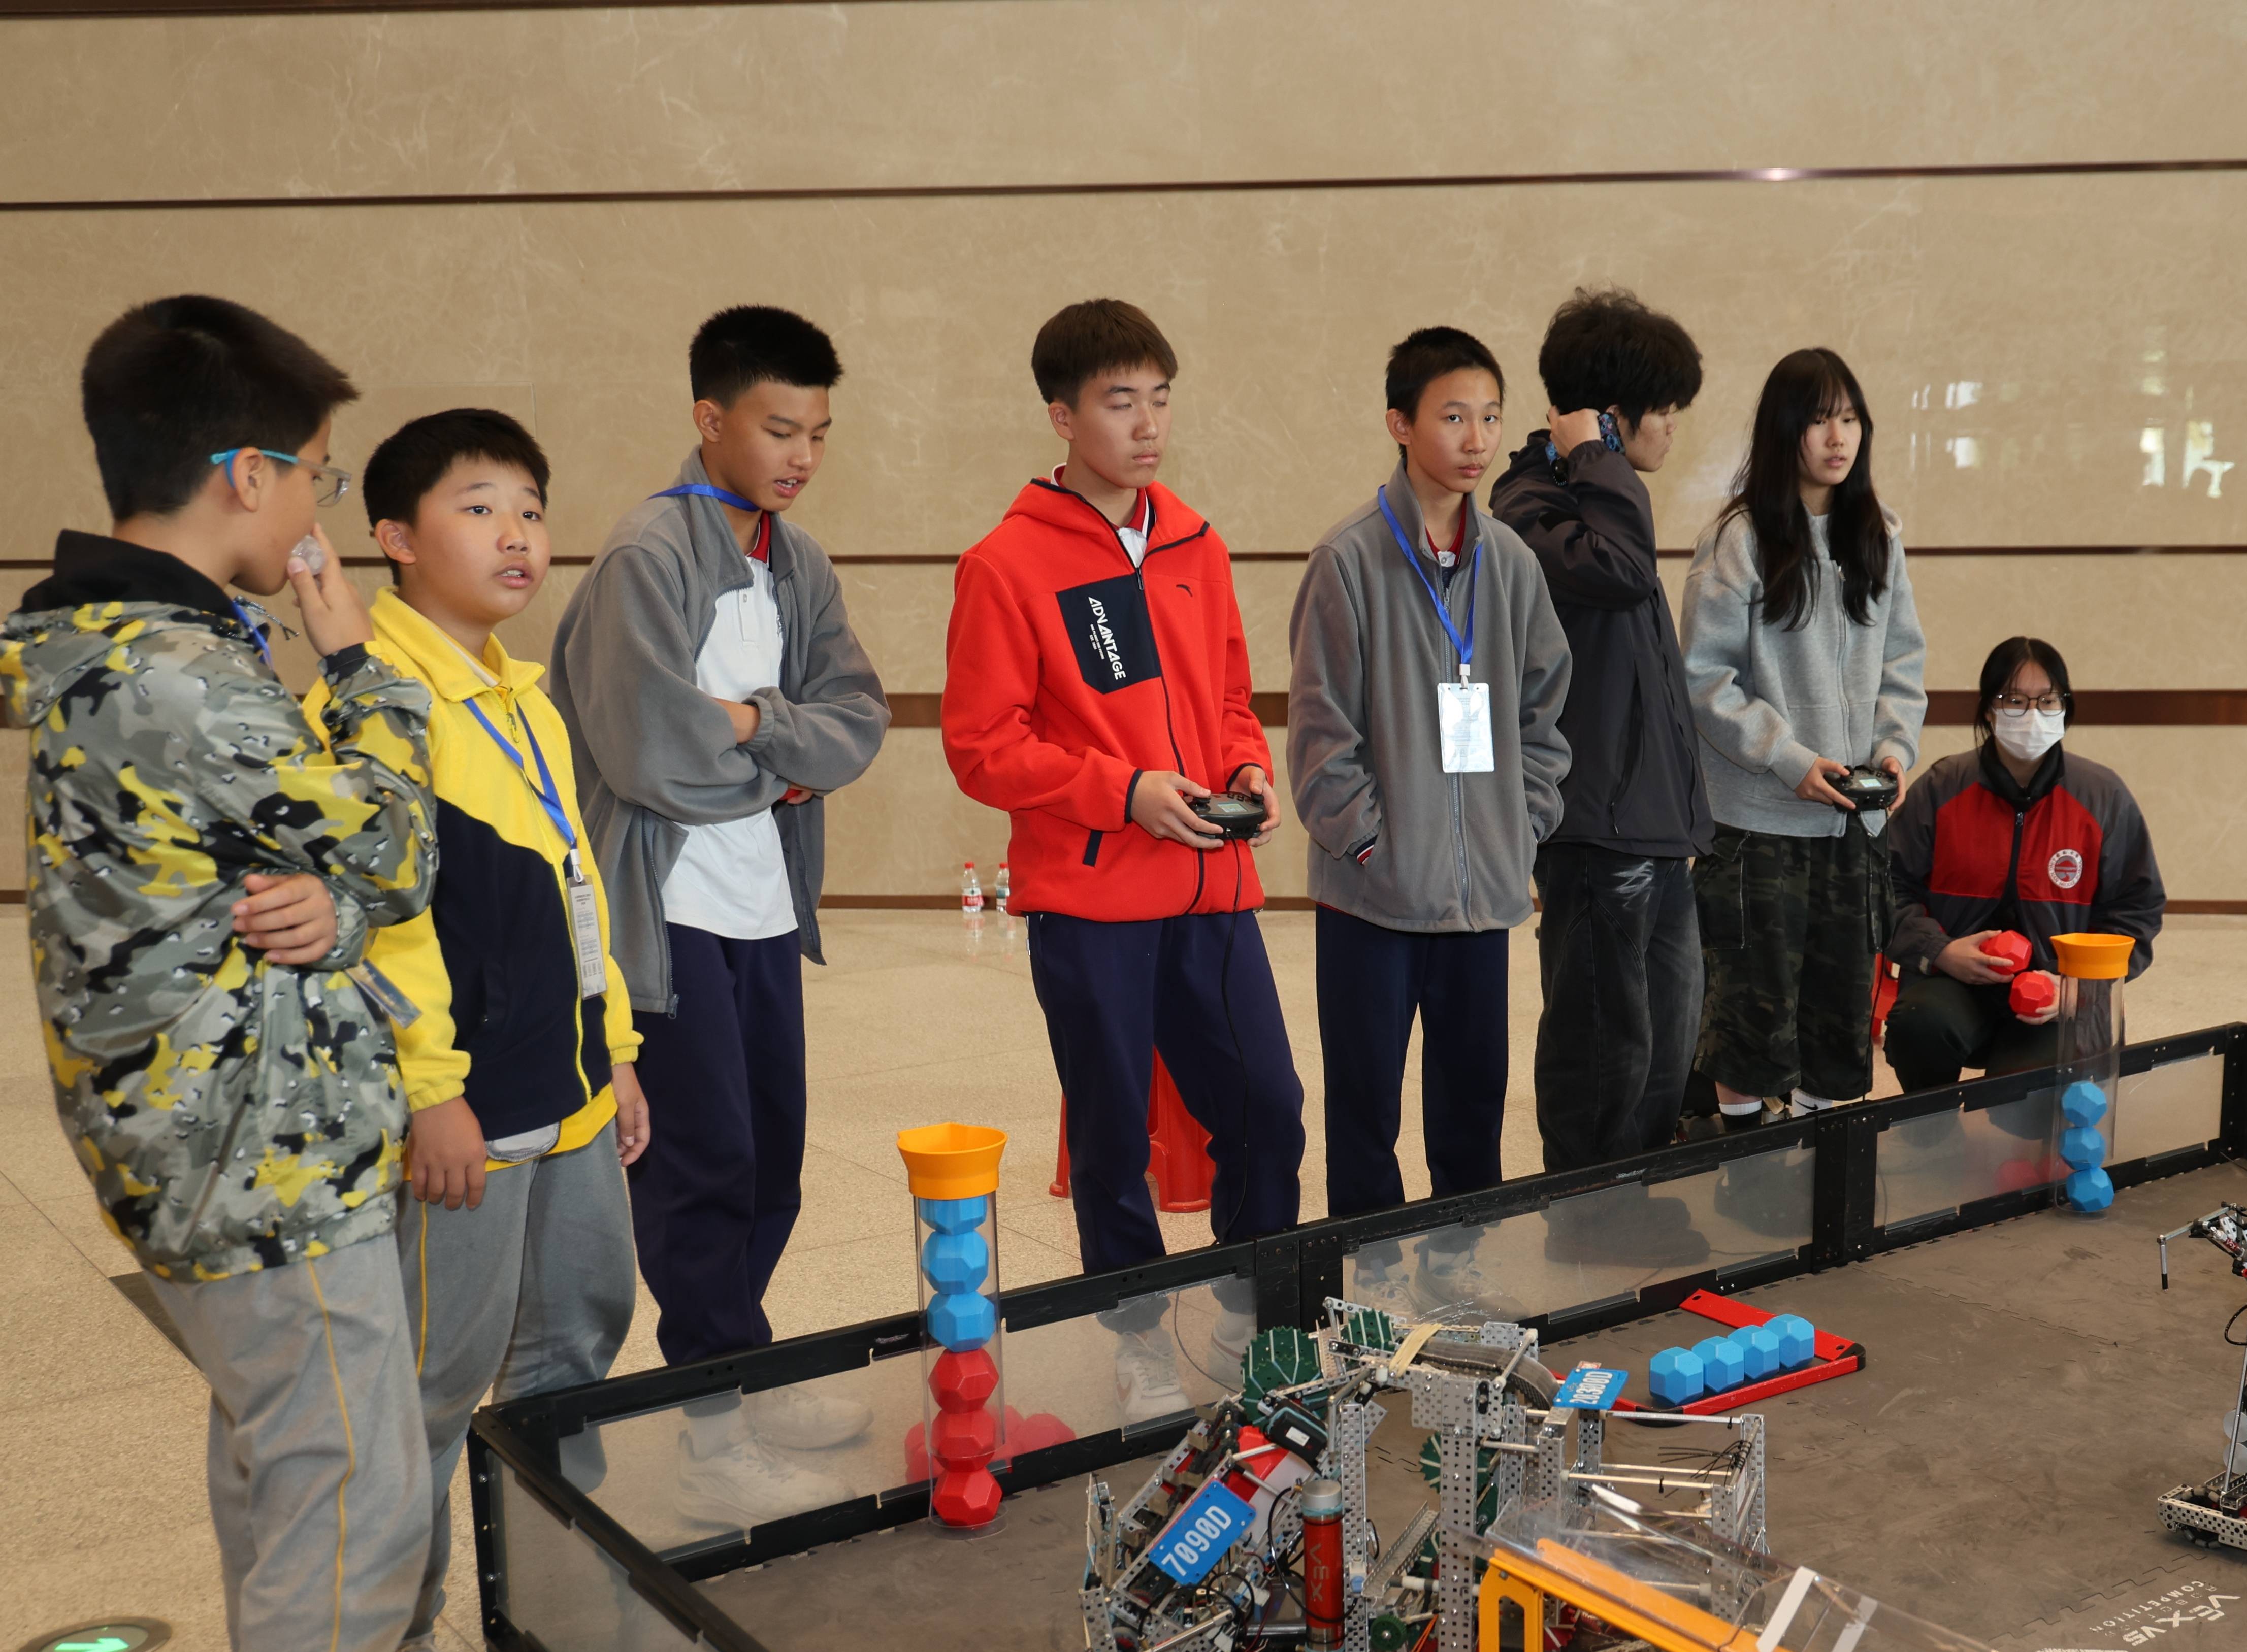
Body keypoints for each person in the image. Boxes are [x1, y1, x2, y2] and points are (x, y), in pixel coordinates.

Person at [4, 298, 486, 1652]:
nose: (318, 512)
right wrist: (359, 669)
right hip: (257, 1161)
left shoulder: (115, 646)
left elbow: (303, 881)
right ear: (241, 472)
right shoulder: (181, 672)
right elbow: (401, 840)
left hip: (212, 1141)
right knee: (347, 1521)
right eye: (317, 476)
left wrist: (327, 907)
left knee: (289, 1490)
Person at [546, 306, 889, 1525]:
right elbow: (651, 754)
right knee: (703, 1168)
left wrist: (753, 726)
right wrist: (780, 760)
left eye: (819, 432)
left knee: (772, 1158)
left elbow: (856, 720)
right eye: (779, 428)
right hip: (670, 913)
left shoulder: (797, 560)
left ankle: (739, 1366)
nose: (802, 454)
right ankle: (709, 1428)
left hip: (761, 908)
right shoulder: (648, 554)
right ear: (710, 418)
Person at [356, 409, 649, 1652]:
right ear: (395, 538)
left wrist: (617, 1047)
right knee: (426, 1389)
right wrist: (432, 1094)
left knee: (575, 1340)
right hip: (464, 1114)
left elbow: (576, 890)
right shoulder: (382, 701)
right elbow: (384, 919)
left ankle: (555, 1599)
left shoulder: (519, 692)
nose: (518, 533)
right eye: (479, 506)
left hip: (569, 1092)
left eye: (530, 505)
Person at [945, 299, 1305, 1409]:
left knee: (1268, 1107)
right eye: (1119, 402)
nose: (1147, 424)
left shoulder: (1197, 541)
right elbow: (982, 745)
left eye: (1160, 399)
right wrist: (1124, 793)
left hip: (1213, 890)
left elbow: (1231, 696)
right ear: (1062, 415)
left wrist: (1246, 767)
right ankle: (1139, 1336)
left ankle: (1254, 1312)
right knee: (1112, 1137)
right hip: (1093, 901)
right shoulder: (1006, 564)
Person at [1288, 326, 1572, 1309]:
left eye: (1490, 416)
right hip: (1372, 892)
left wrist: (1521, 825)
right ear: (1400, 424)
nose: (1476, 438)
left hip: (1481, 891)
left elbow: (1545, 710)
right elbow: (1321, 731)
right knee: (1366, 1100)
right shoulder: (1348, 561)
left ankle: (1456, 1264)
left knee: (1472, 1097)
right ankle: (1370, 1272)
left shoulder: (1513, 565)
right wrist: (1372, 841)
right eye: (1453, 416)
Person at [1488, 288, 1711, 1262]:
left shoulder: (1595, 502)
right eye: (1663, 410)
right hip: (1592, 826)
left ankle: (1633, 1200)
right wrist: (1597, 459)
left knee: (1666, 1031)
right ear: (1612, 418)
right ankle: (1582, 1220)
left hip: (1654, 822)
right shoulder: (1531, 508)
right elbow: (1619, 569)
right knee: (1600, 1037)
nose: (1672, 429)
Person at [1680, 348, 1925, 1132]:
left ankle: (1819, 1169)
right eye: (1820, 419)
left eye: (1850, 419)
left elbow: (1903, 664)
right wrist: (1789, 760)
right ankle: (1746, 1164)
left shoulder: (1878, 535)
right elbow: (1705, 679)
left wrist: (1895, 751)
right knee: (1747, 1016)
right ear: (1785, 430)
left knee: (1839, 1015)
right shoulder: (1739, 538)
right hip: (1759, 825)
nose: (1838, 436)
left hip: (1855, 822)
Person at [1883, 637, 2164, 1091]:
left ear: (2065, 709)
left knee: (2023, 1104)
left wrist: (2077, 986)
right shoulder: (1942, 787)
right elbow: (1885, 887)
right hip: (1953, 981)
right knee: (1918, 1026)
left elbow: (2137, 909)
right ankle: (1931, 1126)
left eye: (2047, 700)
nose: (2032, 714)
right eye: (2014, 700)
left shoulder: (2103, 795)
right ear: (1988, 710)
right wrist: (1940, 951)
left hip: (2060, 993)